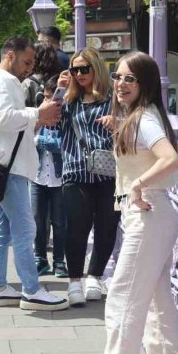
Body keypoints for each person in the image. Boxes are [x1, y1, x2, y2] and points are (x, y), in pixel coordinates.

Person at [78, 51, 178, 354]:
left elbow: (173, 160)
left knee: (123, 296)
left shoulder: (145, 119)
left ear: (145, 85)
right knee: (156, 298)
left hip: (147, 214)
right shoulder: (141, 117)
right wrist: (123, 127)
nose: (121, 84)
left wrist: (141, 183)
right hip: (149, 214)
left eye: (131, 79)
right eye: (118, 77)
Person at [0, 37, 68, 311]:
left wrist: (37, 117)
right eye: (26, 61)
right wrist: (36, 113)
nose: (29, 67)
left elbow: (9, 121)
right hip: (9, 167)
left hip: (5, 166)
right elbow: (5, 118)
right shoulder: (2, 82)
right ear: (9, 55)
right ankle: (31, 289)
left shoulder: (1, 82)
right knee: (24, 228)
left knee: (4, 228)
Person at [57, 47, 118, 306]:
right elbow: (50, 122)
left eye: (84, 69)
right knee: (76, 229)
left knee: (106, 228)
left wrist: (118, 122)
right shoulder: (69, 101)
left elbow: (134, 125)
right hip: (75, 171)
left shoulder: (113, 99)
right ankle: (73, 283)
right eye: (74, 70)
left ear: (97, 69)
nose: (79, 74)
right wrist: (59, 91)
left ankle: (94, 276)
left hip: (109, 172)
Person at [32, 74, 68, 278]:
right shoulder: (38, 115)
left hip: (59, 178)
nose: (49, 102)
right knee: (38, 220)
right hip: (37, 176)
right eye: (45, 97)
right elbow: (28, 138)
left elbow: (69, 146)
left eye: (53, 98)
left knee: (59, 221)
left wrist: (52, 143)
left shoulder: (66, 116)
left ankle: (59, 261)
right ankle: (40, 258)